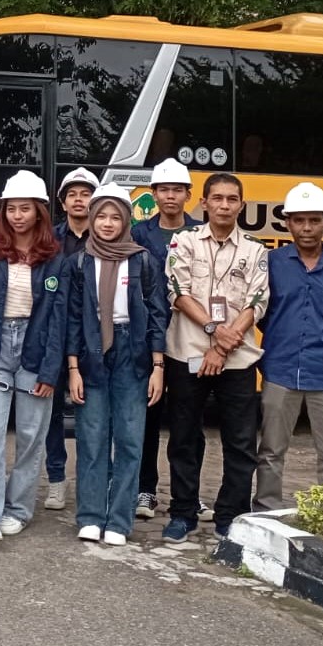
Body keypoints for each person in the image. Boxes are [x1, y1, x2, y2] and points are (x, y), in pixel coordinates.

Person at [0, 170, 64, 546]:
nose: (18, 215)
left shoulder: (55, 256)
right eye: (12, 209)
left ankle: (17, 510)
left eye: (26, 209)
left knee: (32, 436)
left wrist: (50, 369)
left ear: (39, 212)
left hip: (35, 350)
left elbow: (59, 316)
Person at [162, 172, 268, 544]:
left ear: (241, 204)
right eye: (217, 198)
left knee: (240, 441)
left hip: (238, 360)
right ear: (203, 203)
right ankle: (183, 513)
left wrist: (222, 347)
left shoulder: (256, 249)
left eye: (232, 199)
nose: (225, 205)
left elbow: (257, 301)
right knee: (184, 438)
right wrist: (213, 331)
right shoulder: (184, 241)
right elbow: (177, 292)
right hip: (187, 354)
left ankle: (231, 516)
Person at [64, 183, 169, 547]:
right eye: (101, 216)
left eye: (115, 217)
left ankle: (119, 520)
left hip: (133, 352)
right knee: (92, 438)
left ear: (126, 220)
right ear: (92, 219)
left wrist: (157, 365)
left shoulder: (142, 259)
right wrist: (74, 368)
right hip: (93, 353)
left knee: (129, 439)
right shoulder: (80, 261)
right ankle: (91, 516)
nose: (107, 224)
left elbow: (158, 313)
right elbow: (73, 318)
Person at [254, 182, 323, 511]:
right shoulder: (271, 263)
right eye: (299, 220)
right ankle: (266, 509)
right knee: (271, 450)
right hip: (280, 370)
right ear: (286, 222)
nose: (306, 228)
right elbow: (261, 313)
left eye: (314, 220)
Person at [131, 158, 204, 523]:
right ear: (154, 194)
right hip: (148, 337)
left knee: (188, 418)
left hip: (191, 334)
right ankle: (145, 488)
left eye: (177, 190)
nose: (170, 196)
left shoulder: (201, 233)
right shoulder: (138, 234)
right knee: (148, 415)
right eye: (164, 190)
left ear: (188, 195)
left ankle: (188, 493)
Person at [44, 166, 99, 511]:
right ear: (63, 202)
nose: (79, 200)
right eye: (73, 195)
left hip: (93, 338)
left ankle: (92, 482)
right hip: (55, 333)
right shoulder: (49, 240)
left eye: (86, 194)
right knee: (49, 413)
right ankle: (55, 480)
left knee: (91, 412)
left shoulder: (107, 238)